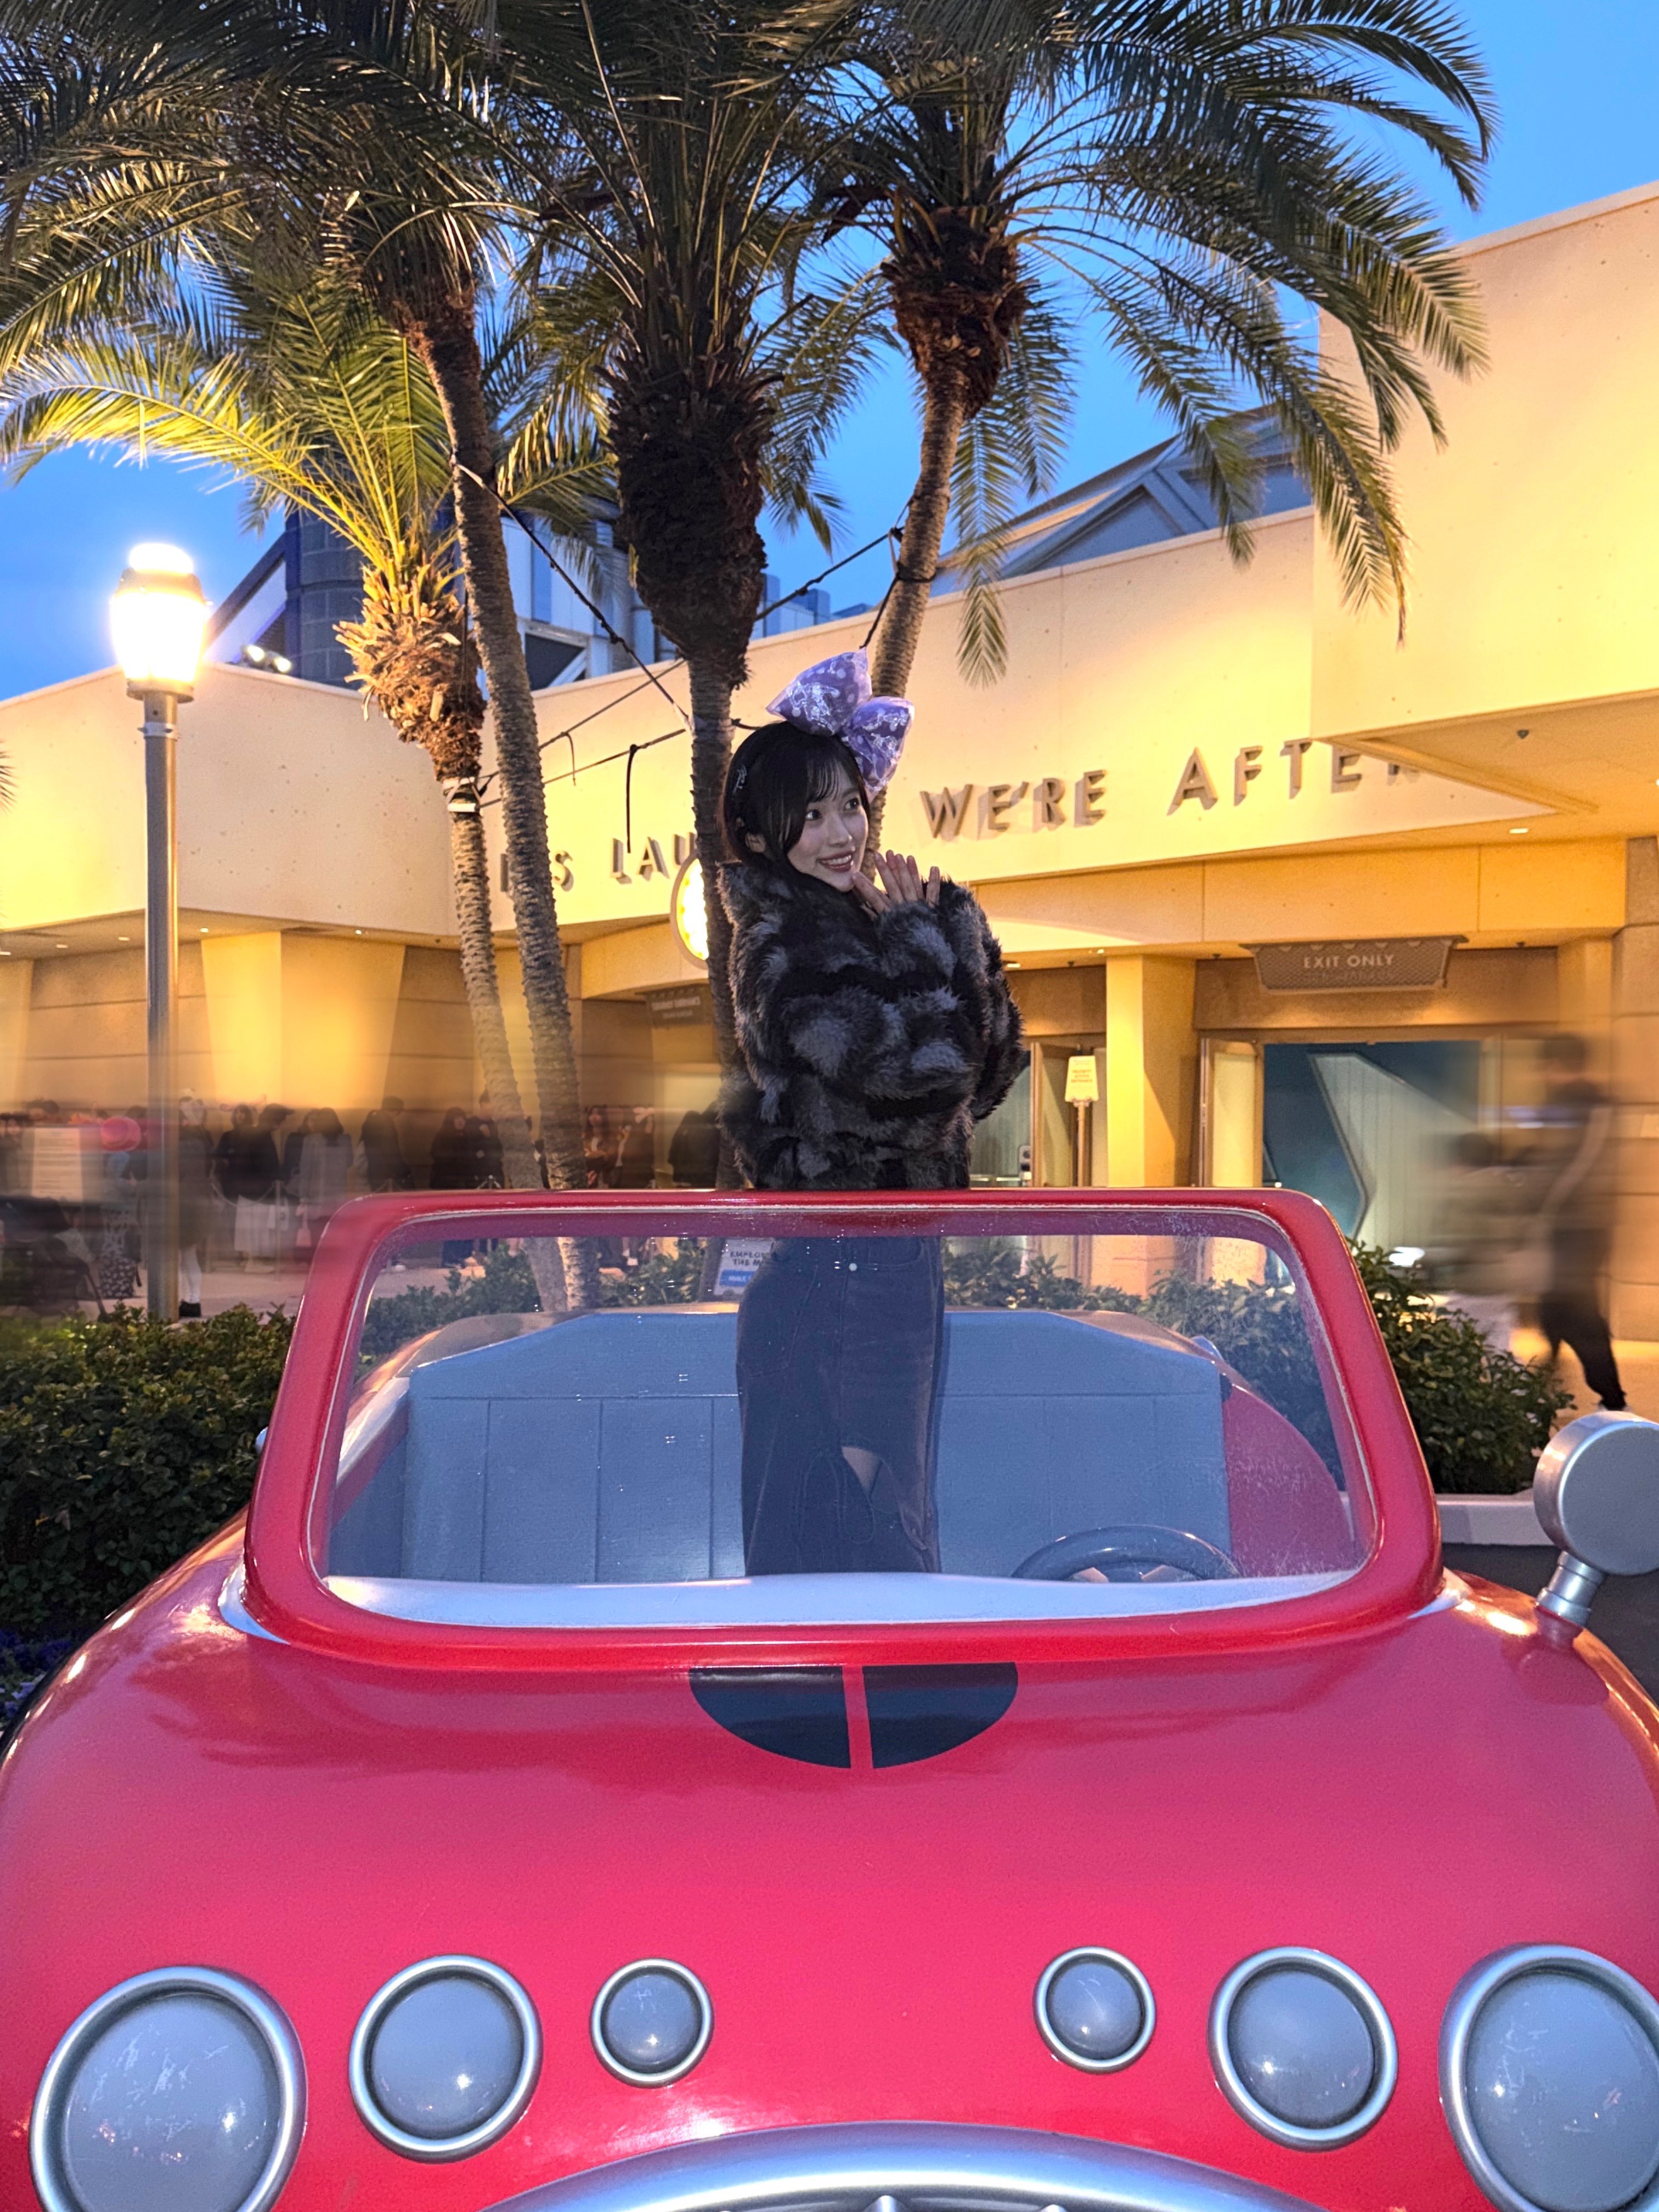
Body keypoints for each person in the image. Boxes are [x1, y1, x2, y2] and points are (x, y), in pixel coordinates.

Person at [718, 647, 1024, 1577]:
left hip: (889, 1269)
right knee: (850, 1543)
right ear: (761, 836)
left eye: (849, 805)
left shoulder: (868, 926)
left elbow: (989, 1074)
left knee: (881, 1533)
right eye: (809, 816)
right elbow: (921, 1079)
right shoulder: (784, 944)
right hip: (836, 1281)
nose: (839, 833)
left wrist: (955, 931)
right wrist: (920, 940)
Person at [1536, 1032, 1626, 1411]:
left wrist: (1544, 1209)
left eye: (1545, 1066)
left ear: (1558, 1065)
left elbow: (1576, 1167)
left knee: (1577, 1314)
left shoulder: (1587, 1104)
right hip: (1573, 1226)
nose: (1542, 1074)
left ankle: (1612, 1398)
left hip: (1578, 1229)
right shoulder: (1573, 1104)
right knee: (1555, 1308)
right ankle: (1546, 1386)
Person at [177, 1093, 216, 1317]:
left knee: (179, 1259)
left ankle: (186, 1300)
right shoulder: (200, 1143)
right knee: (189, 1256)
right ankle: (193, 1299)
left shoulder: (177, 1147)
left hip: (181, 1206)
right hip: (197, 1203)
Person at [294, 1107, 352, 1252]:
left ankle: (317, 1259)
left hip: (317, 1196)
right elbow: (349, 1162)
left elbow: (306, 1170)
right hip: (338, 1196)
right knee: (334, 1232)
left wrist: (303, 1197)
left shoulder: (311, 1140)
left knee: (317, 1234)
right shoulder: (345, 1140)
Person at [359, 1097, 413, 1192]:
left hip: (373, 1168)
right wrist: (402, 1170)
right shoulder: (387, 1123)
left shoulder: (370, 1120)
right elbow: (390, 1149)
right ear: (395, 1110)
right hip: (385, 1172)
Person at [668, 1102, 721, 1188]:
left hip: (682, 1178)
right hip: (702, 1180)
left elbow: (672, 1157)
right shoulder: (712, 1134)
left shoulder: (680, 1134)